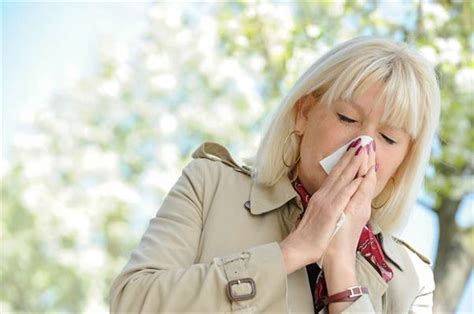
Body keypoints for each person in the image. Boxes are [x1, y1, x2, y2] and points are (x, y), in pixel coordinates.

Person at [109, 36, 440, 313]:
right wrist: (290, 253)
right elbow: (132, 301)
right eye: (346, 118)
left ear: (403, 161)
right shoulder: (211, 185)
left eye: (388, 138)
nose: (362, 146)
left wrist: (341, 266)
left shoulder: (412, 279)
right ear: (304, 113)